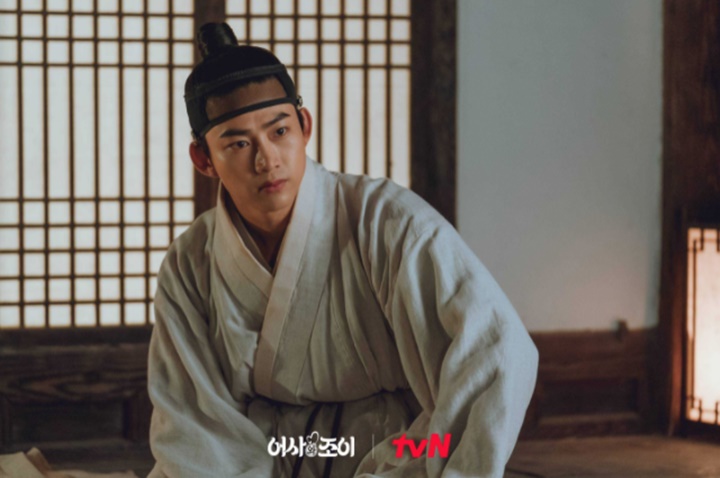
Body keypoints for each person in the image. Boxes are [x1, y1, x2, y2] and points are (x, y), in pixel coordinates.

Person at [147, 22, 538, 478]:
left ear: (305, 126)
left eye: (279, 131)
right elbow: (193, 419)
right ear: (203, 159)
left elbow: (496, 351)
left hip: (393, 450)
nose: (267, 159)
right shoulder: (190, 261)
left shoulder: (386, 221)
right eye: (238, 143)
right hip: (263, 457)